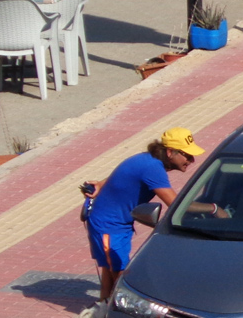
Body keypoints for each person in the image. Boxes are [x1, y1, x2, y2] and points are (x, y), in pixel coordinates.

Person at [84, 127, 204, 301]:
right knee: (120, 278)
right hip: (108, 226)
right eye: (186, 155)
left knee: (111, 271)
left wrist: (101, 184)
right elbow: (177, 205)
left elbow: (125, 173)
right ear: (170, 152)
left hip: (117, 225)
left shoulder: (145, 160)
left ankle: (103, 311)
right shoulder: (152, 168)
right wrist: (213, 209)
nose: (191, 160)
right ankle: (113, 314)